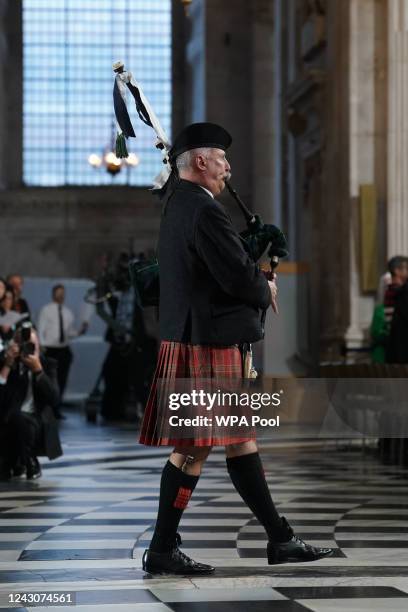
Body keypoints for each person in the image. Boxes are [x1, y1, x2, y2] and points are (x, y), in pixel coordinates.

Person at [140, 123, 333, 575]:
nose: (229, 168)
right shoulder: (204, 210)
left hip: (199, 337)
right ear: (201, 162)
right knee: (193, 448)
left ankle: (280, 539)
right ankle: (162, 548)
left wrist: (249, 250)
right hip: (205, 341)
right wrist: (263, 283)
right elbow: (233, 276)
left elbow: (215, 265)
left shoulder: (179, 205)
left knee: (238, 441)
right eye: (222, 159)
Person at [0, 327, 62, 480]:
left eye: (32, 345)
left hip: (37, 418)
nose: (28, 350)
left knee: (18, 419)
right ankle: (28, 460)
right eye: (24, 345)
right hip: (8, 417)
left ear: (39, 345)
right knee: (16, 418)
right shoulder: (7, 362)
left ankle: (15, 460)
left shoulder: (48, 364)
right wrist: (7, 366)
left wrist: (38, 371)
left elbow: (54, 399)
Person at [37, 284, 88, 418]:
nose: (61, 295)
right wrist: (41, 344)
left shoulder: (68, 312)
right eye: (58, 293)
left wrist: (79, 332)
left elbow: (69, 333)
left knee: (62, 379)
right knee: (49, 380)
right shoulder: (46, 310)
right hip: (50, 349)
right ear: (53, 294)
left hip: (63, 349)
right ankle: (47, 407)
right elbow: (41, 328)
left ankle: (57, 408)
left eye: (63, 293)